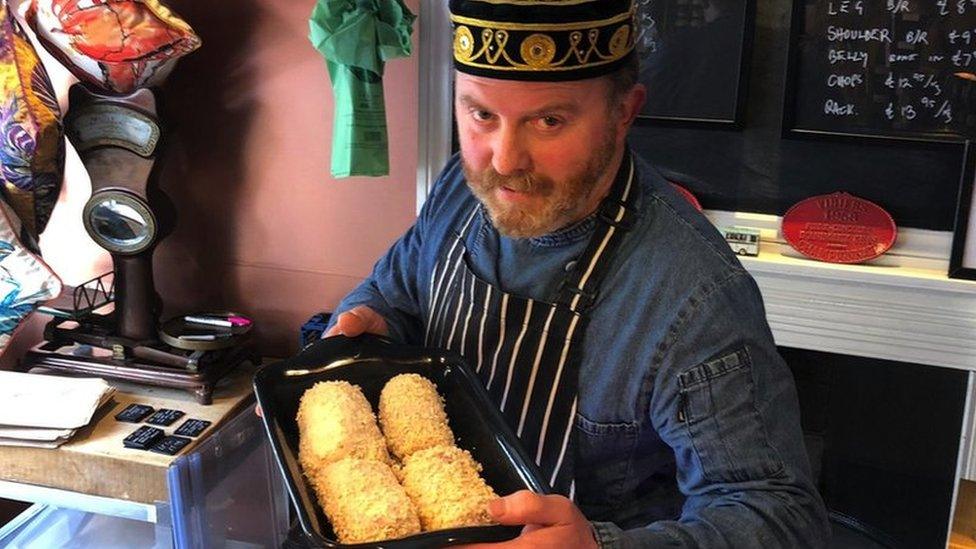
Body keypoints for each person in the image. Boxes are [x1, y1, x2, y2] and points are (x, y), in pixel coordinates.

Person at [322, 0, 829, 546]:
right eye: (481, 115)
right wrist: (372, 317)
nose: (504, 160)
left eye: (549, 120)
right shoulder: (462, 188)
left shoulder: (694, 297)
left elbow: (780, 518)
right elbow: (394, 290)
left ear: (624, 112)